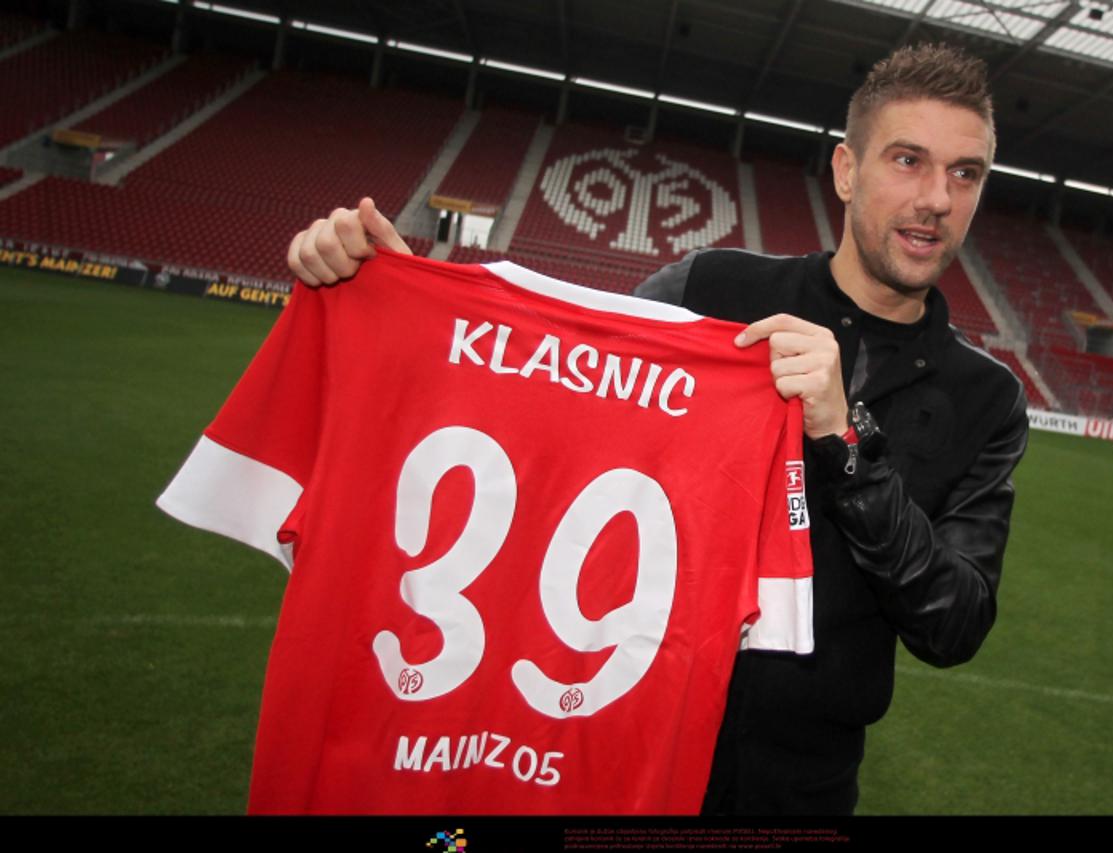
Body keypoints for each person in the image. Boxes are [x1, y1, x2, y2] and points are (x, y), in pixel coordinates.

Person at [285, 43, 1028, 815]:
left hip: (797, 790)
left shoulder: (987, 398)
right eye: (908, 160)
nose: (938, 197)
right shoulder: (710, 290)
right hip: (616, 742)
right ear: (846, 170)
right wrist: (408, 304)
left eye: (965, 173)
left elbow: (956, 621)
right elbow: (551, 401)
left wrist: (846, 446)